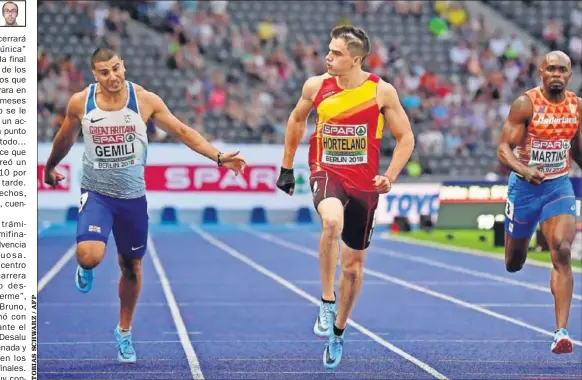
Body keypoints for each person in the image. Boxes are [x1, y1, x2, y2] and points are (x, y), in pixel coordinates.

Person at [43, 47, 246, 364]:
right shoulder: (81, 102)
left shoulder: (145, 100)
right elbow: (65, 137)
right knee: (90, 256)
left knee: (132, 269)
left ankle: (124, 332)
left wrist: (218, 157)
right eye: (104, 72)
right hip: (97, 194)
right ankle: (85, 267)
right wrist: (49, 167)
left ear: (123, 65)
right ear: (94, 75)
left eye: (115, 68)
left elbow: (181, 131)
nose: (112, 76)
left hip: (133, 199)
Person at [276, 25, 414, 369]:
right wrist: (287, 167)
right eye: (328, 50)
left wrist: (390, 176)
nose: (328, 57)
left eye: (335, 53)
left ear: (356, 59)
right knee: (332, 221)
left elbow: (406, 137)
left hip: (365, 184)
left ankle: (338, 330)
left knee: (353, 269)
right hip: (326, 171)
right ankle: (326, 300)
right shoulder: (315, 86)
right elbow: (296, 120)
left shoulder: (381, 92)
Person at [497, 50, 581, 354]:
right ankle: (520, 240)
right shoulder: (525, 104)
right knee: (513, 262)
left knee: (561, 248)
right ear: (541, 73)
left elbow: (578, 150)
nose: (556, 74)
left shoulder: (577, 107)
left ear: (569, 75)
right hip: (524, 189)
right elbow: (503, 149)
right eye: (551, 69)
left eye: (562, 70)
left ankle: (561, 332)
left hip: (558, 186)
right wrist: (524, 169)